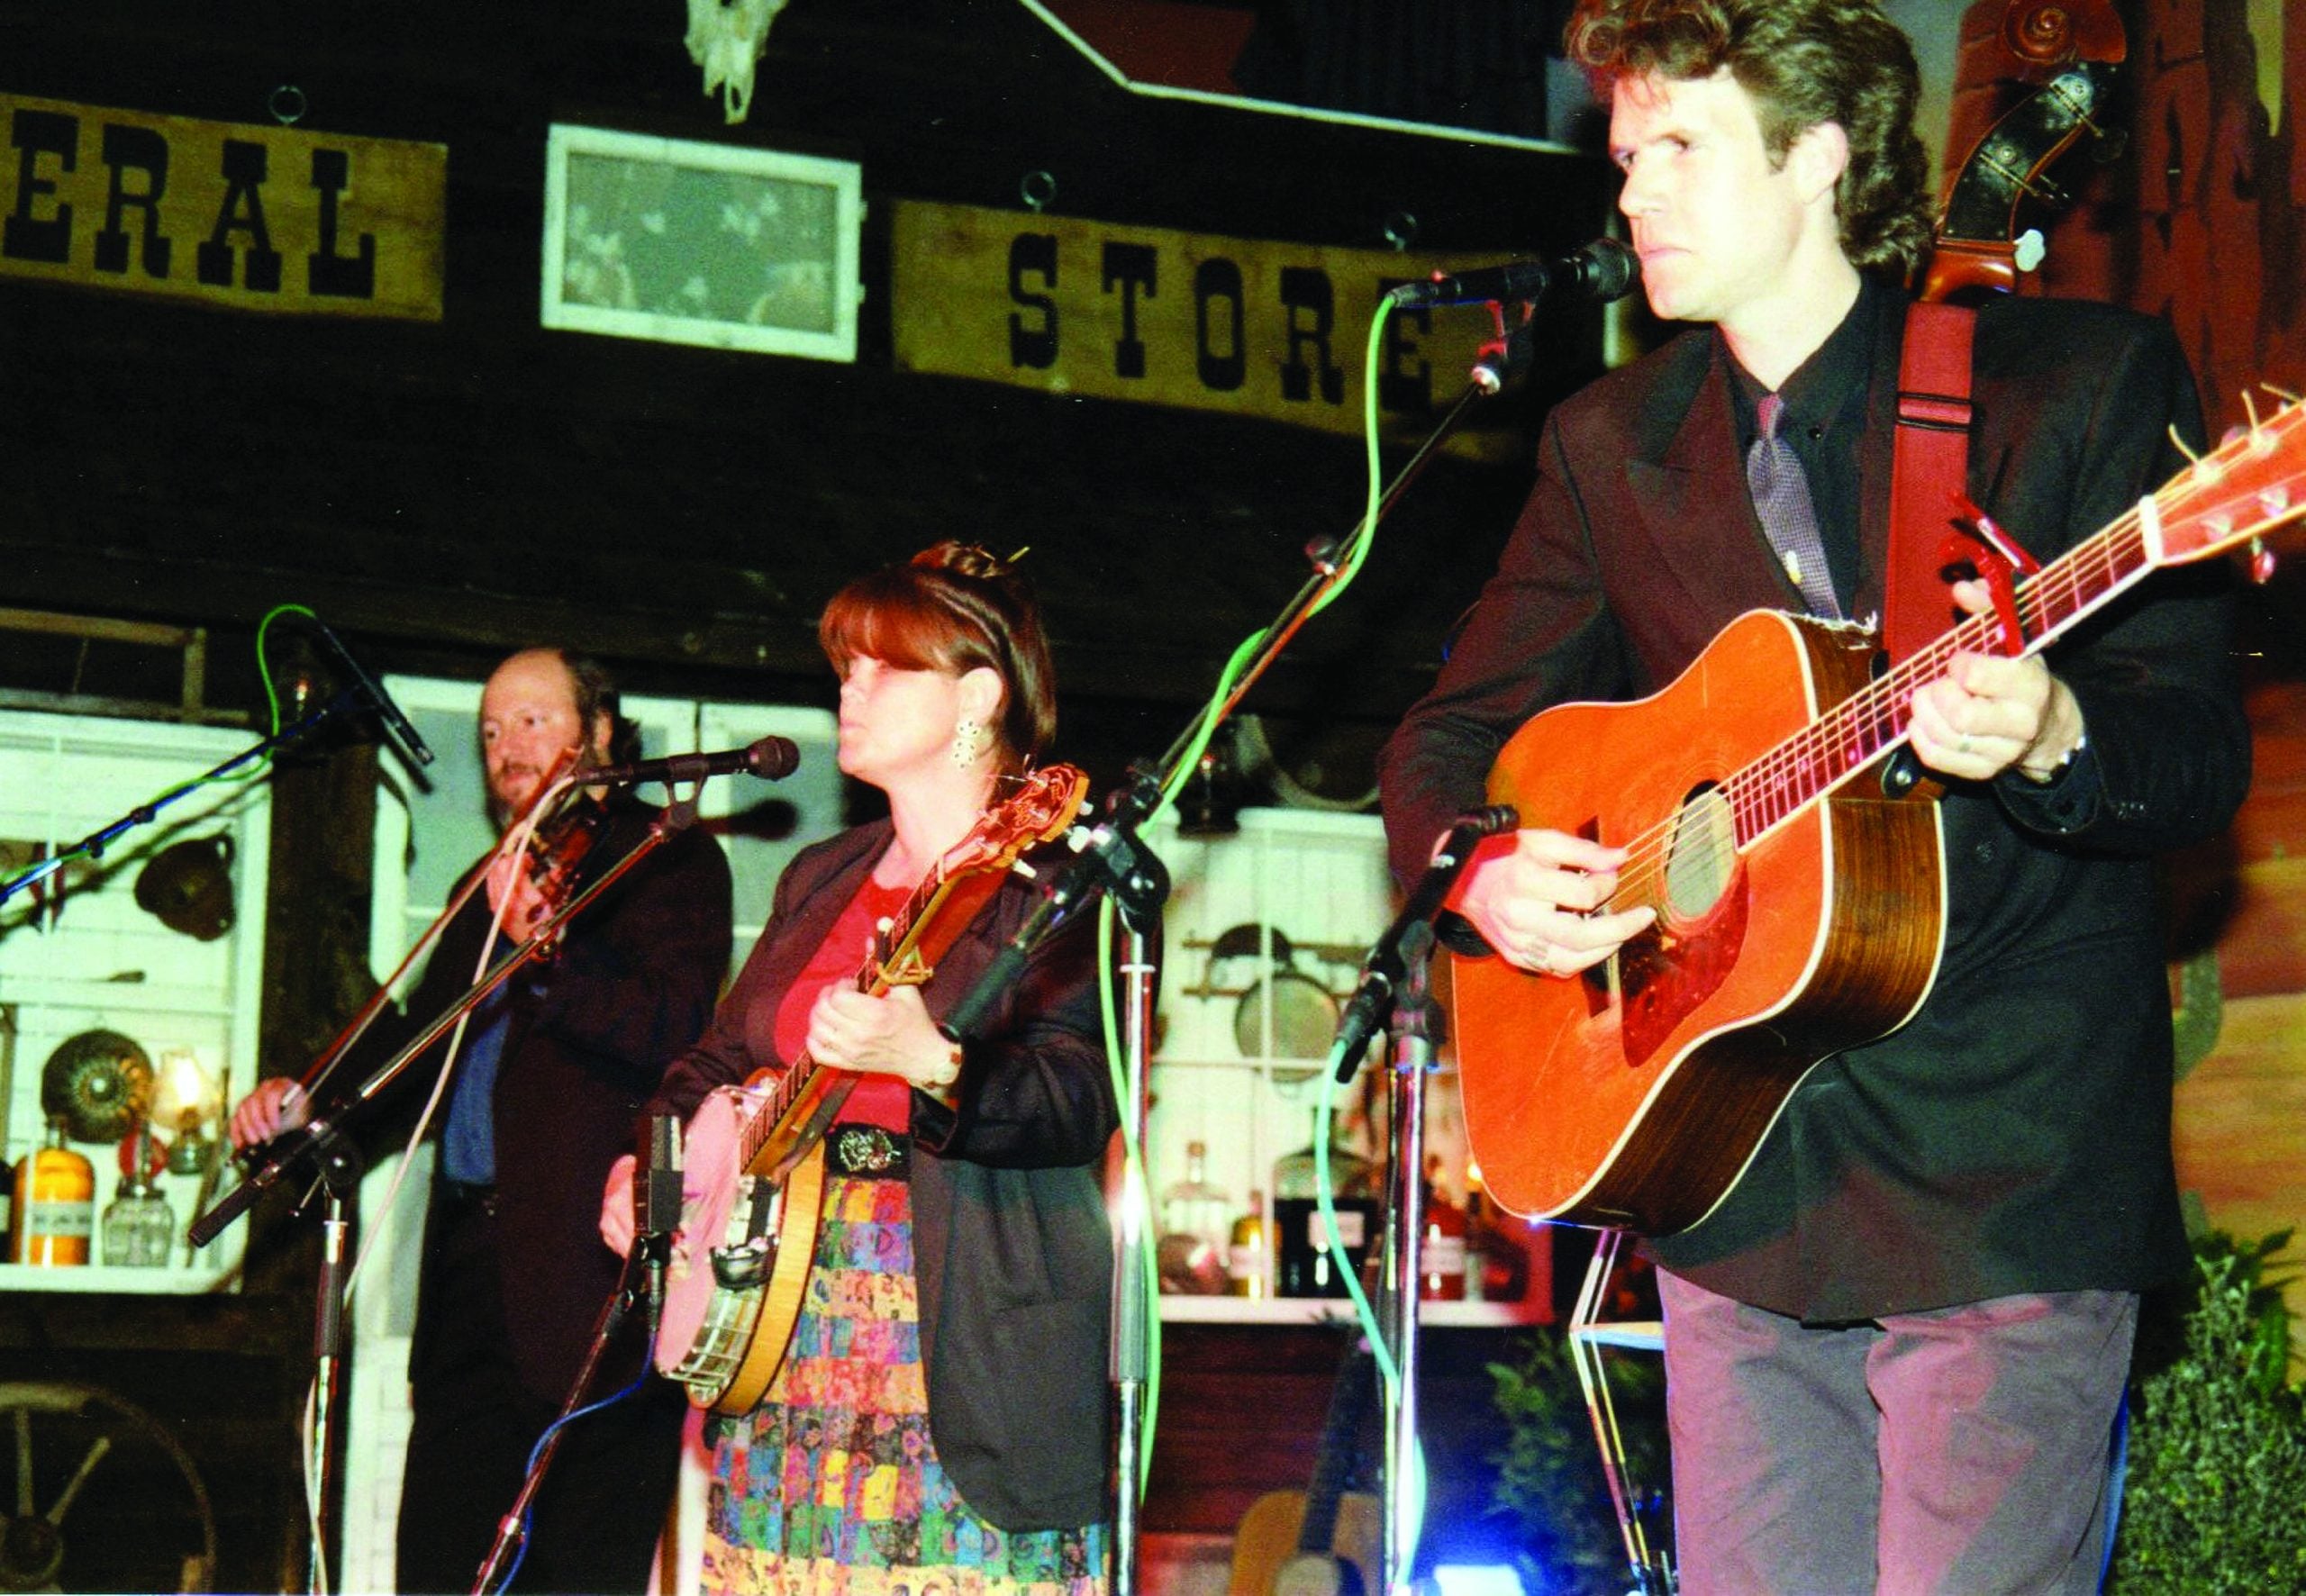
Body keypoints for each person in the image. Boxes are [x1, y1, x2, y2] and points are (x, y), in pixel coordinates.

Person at [1376, 3, 2252, 1590]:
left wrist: (2056, 728)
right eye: (1626, 153)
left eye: (1680, 148)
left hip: (2003, 1162)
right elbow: (1447, 746)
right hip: (1736, 1168)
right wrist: (1482, 868)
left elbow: (2195, 750)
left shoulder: (2072, 389)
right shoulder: (1609, 443)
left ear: (1820, 159)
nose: (1631, 192)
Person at [600, 542, 1115, 1596]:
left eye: (885, 665)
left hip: (954, 1333)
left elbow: (1077, 1098)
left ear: (978, 694)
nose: (851, 686)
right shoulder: (820, 874)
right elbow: (712, 1062)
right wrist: (647, 1182)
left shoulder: (1051, 887)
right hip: (779, 1327)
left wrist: (931, 1059)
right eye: (845, 664)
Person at [232, 647, 733, 1595]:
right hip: (470, 1269)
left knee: (578, 1570)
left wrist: (543, 945)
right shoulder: (489, 877)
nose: (507, 747)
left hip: (593, 1278)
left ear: (598, 729)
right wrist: (309, 1096)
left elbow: (674, 1028)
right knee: (441, 1565)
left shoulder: (665, 857)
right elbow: (415, 1035)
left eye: (534, 721)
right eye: (492, 730)